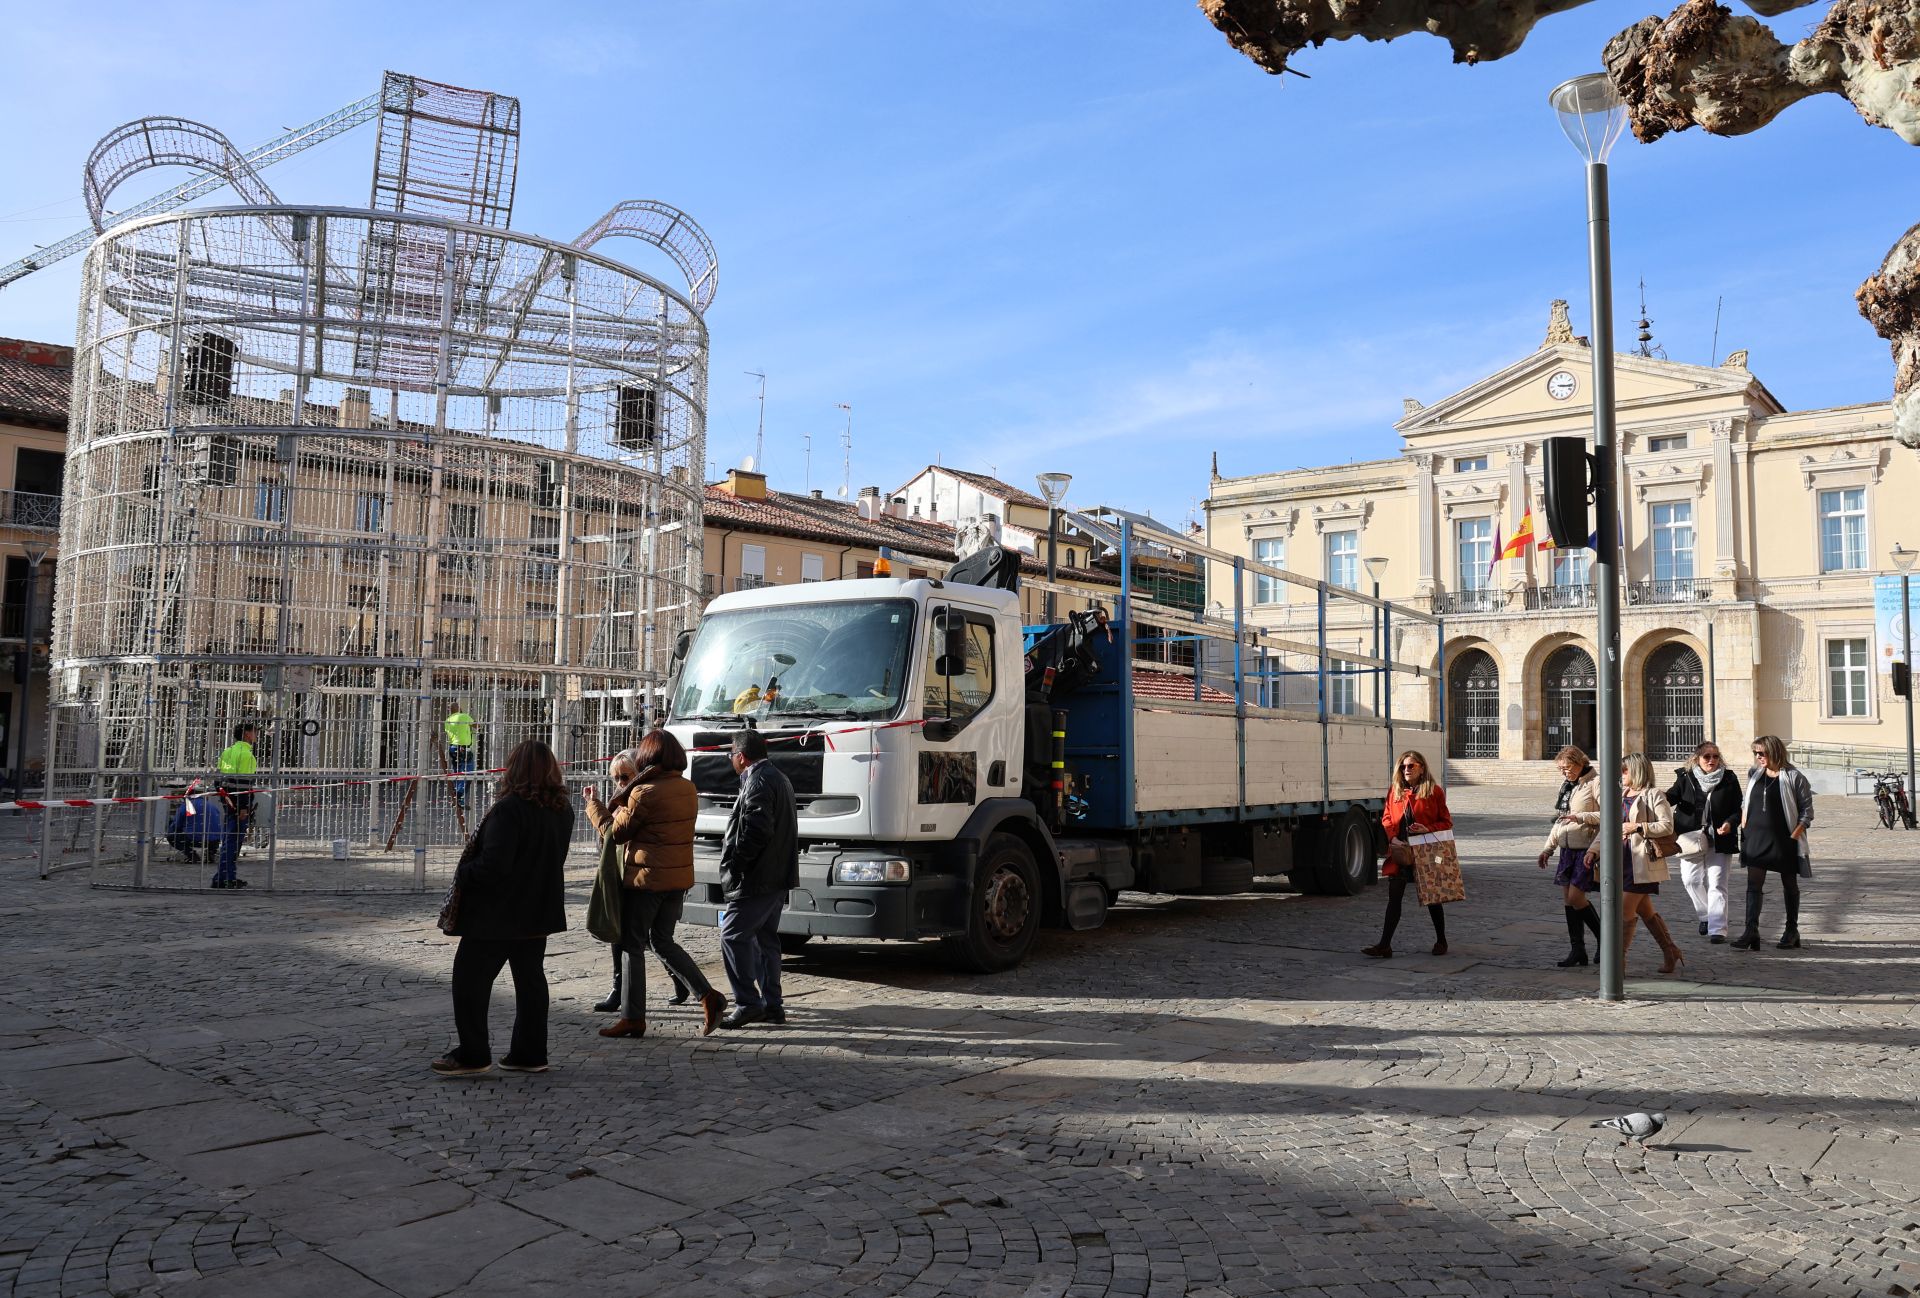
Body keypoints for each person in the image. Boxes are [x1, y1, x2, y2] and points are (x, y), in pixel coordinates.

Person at [434, 739, 574, 1076]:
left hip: (498, 915)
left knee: (469, 982)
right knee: (530, 982)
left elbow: (494, 865)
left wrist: (464, 873)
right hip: (538, 910)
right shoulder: (562, 810)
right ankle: (529, 1053)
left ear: (513, 770)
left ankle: (473, 1052)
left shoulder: (509, 810)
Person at [585, 731, 725, 1037]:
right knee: (662, 940)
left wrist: (594, 807)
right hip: (677, 880)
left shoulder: (644, 792)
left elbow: (616, 834)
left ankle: (633, 1017)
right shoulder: (688, 788)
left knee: (632, 945)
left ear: (648, 758)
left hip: (647, 881)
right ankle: (707, 996)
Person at [716, 729, 798, 1028]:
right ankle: (772, 1006)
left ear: (741, 756)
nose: (730, 760)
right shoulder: (776, 776)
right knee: (765, 941)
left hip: (758, 878)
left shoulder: (760, 780)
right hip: (773, 876)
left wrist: (737, 864)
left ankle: (749, 1003)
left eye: (731, 755)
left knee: (733, 935)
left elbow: (756, 830)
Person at [1594, 752, 1685, 975]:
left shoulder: (1654, 795)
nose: (1621, 774)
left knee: (1623, 910)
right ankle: (1670, 950)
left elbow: (1667, 826)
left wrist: (1638, 827)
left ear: (1636, 771)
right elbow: (1606, 825)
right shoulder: (1620, 794)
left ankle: (1617, 963)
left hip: (1642, 862)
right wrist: (1593, 851)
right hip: (1620, 861)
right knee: (1645, 911)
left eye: (1625, 770)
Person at [1363, 750, 1452, 959]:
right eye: (1403, 766)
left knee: (1432, 898)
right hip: (1401, 851)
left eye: (1411, 766)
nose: (1406, 770)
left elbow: (1447, 822)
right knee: (1394, 898)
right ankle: (1384, 945)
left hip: (1425, 851)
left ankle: (1441, 940)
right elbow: (1386, 817)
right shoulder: (1395, 792)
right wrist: (1392, 837)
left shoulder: (1434, 792)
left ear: (1421, 767)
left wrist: (1427, 828)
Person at [1734, 734, 1814, 951]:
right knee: (1753, 885)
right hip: (1756, 839)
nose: (1758, 757)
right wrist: (1743, 820)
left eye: (1762, 753)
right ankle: (1751, 931)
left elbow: (1807, 811)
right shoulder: (1755, 773)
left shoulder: (1794, 777)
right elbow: (1746, 799)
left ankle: (1791, 930)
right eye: (1755, 753)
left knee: (1789, 884)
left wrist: (1795, 835)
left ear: (1774, 751)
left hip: (1784, 840)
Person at [1666, 740, 1740, 944]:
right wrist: (1656, 797)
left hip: (1720, 838)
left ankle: (1718, 929)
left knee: (1717, 883)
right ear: (1697, 759)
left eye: (1715, 756)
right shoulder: (1686, 777)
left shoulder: (1729, 778)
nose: (1712, 760)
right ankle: (1706, 916)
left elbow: (1737, 808)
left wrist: (1729, 823)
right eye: (1707, 756)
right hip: (1690, 838)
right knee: (1691, 880)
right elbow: (1671, 797)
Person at [1538, 745, 1603, 967]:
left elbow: (1611, 813)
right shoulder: (1568, 786)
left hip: (1586, 848)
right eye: (1561, 770)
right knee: (1568, 900)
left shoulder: (1596, 783)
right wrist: (1549, 848)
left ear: (1580, 763)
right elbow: (1561, 819)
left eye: (1567, 768)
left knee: (1577, 897)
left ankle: (1605, 940)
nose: (1565, 773)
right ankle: (1578, 950)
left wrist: (1581, 816)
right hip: (1567, 848)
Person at [212, 723, 259, 889]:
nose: (256, 735)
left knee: (228, 841)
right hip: (239, 805)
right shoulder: (247, 755)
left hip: (228, 801)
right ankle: (226, 879)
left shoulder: (228, 751)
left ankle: (223, 876)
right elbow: (244, 784)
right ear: (247, 734)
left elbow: (217, 780)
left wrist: (226, 799)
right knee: (233, 843)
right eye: (254, 731)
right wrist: (244, 808)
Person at [444, 704, 477, 809]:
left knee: (457, 772)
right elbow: (477, 726)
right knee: (468, 772)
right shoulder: (463, 716)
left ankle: (457, 797)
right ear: (459, 709)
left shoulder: (448, 720)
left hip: (453, 748)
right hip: (463, 748)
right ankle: (459, 796)